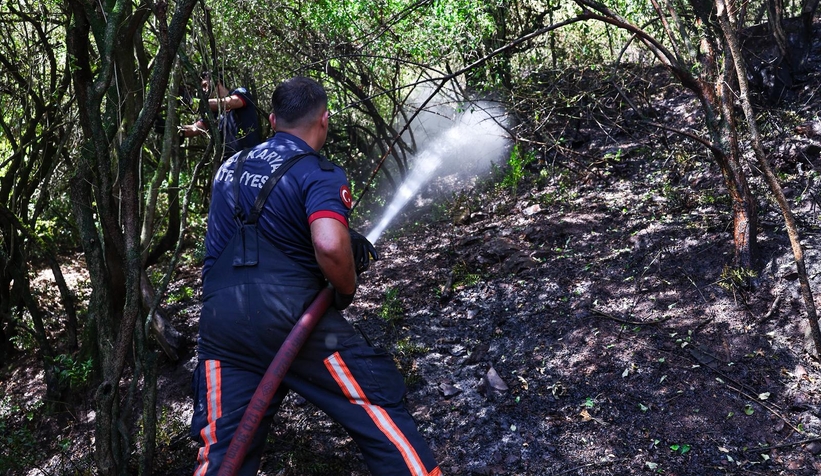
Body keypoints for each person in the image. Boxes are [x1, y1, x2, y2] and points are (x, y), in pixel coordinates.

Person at [190, 76, 442, 476]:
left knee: (222, 453)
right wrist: (345, 287)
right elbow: (327, 246)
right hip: (293, 322)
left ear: (272, 120)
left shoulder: (228, 169)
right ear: (324, 120)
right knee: (377, 406)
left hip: (221, 325)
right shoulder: (318, 172)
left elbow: (236, 244)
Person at [180, 71, 263, 160]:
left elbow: (231, 102)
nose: (203, 90)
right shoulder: (212, 113)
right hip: (230, 163)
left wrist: (196, 103)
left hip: (251, 157)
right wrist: (168, 128)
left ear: (217, 81)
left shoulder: (240, 92)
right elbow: (193, 129)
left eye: (205, 85)